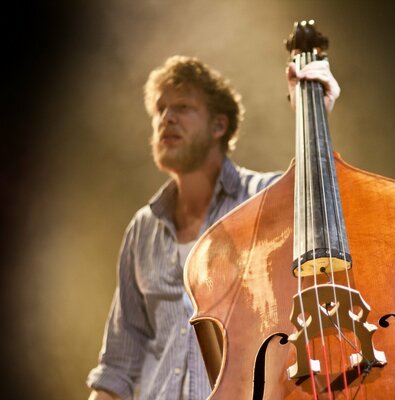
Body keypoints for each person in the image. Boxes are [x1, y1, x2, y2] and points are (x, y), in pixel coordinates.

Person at [87, 55, 340, 400]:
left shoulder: (264, 199)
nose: (167, 118)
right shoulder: (143, 228)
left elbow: (325, 213)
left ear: (218, 126)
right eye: (160, 110)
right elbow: (117, 365)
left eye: (183, 107)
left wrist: (313, 115)